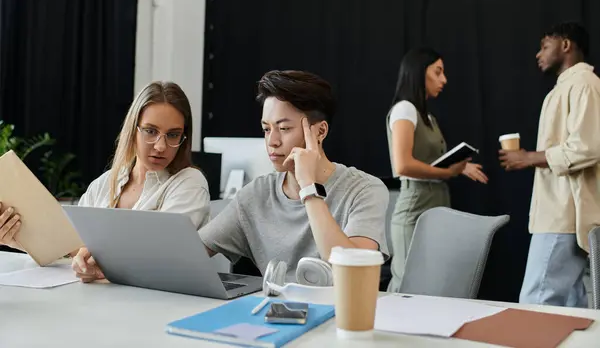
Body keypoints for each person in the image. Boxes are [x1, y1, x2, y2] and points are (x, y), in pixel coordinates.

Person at [72, 70, 389, 283]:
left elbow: (353, 273)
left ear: (319, 132)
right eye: (266, 129)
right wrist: (107, 268)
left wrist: (309, 189)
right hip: (278, 324)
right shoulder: (256, 196)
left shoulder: (364, 190)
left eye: (285, 128)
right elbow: (183, 256)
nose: (272, 141)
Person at [499, 22, 600, 308]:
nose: (538, 54)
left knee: (537, 301)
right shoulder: (566, 87)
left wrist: (529, 157)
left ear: (566, 45)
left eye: (545, 46)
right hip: (556, 210)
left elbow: (588, 147)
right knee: (571, 307)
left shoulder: (584, 85)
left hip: (565, 213)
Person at [72, 81, 211, 282]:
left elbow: (159, 254)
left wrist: (95, 259)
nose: (161, 146)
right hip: (100, 302)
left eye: (173, 135)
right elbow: (70, 243)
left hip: (162, 306)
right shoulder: (105, 183)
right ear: (133, 130)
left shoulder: (190, 182)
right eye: (151, 131)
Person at [386, 48, 488, 292]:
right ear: (420, 73)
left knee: (430, 282)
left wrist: (460, 167)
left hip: (435, 204)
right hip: (415, 206)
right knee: (406, 282)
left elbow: (429, 160)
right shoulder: (405, 110)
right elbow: (403, 165)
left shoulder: (428, 117)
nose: (444, 80)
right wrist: (448, 173)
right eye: (438, 72)